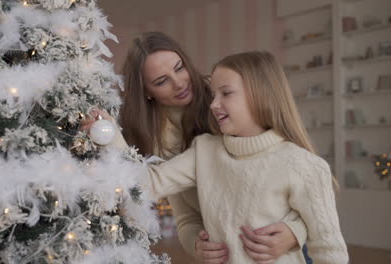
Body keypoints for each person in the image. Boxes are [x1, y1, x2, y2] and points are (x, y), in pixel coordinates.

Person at [83, 32, 308, 263]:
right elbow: (183, 215)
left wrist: (295, 232)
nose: (179, 83)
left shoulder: (229, 97)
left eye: (179, 68)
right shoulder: (162, 143)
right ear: (147, 93)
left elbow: (306, 177)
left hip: (284, 249)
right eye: (162, 81)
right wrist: (195, 243)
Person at [142, 51, 349, 263]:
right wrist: (107, 132)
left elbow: (330, 253)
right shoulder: (203, 151)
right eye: (213, 95)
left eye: (226, 93)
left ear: (261, 95)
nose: (213, 104)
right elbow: (148, 183)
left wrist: (295, 231)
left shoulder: (303, 165)